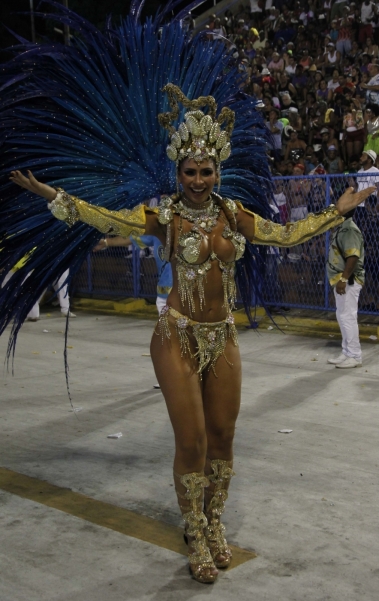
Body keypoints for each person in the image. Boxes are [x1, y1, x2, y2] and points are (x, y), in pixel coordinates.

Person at [8, 84, 375, 585]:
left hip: (222, 336)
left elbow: (285, 234)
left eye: (206, 171)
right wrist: (55, 196)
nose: (199, 180)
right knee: (194, 439)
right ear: (177, 172)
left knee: (223, 437)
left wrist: (338, 211)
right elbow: (106, 218)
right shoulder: (167, 219)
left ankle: (215, 521)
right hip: (176, 336)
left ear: (217, 171)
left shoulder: (233, 214)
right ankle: (195, 532)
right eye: (190, 171)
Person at [93, 234, 172, 315]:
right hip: (164, 295)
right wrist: (106, 242)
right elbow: (132, 239)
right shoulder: (159, 234)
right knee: (167, 326)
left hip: (182, 294)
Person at [326, 209, 365, 368]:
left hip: (348, 280)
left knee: (348, 316)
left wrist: (343, 278)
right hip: (341, 280)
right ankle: (347, 352)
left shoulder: (349, 229)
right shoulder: (342, 228)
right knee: (342, 315)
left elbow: (353, 257)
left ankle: (355, 355)